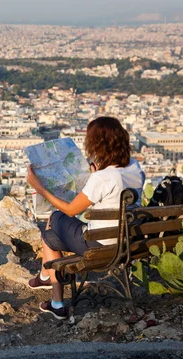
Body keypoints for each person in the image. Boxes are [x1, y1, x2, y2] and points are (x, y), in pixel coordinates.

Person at [26, 116, 145, 320]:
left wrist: (40, 189)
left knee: (53, 222)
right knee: (52, 230)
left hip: (98, 244)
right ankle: (47, 281)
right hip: (127, 240)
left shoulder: (103, 178)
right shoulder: (134, 167)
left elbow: (71, 211)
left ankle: (54, 294)